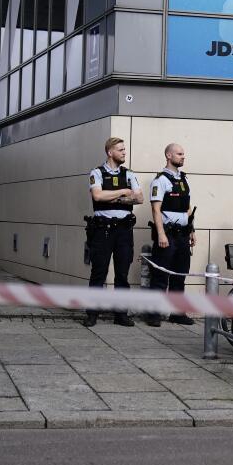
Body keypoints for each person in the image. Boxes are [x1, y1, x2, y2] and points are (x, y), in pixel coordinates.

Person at [83, 137, 142, 328]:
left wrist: (115, 198)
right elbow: (98, 195)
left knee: (122, 275)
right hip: (103, 230)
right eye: (120, 150)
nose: (124, 152)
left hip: (124, 230)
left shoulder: (129, 173)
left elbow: (139, 198)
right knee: (98, 272)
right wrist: (124, 192)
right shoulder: (97, 173)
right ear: (110, 152)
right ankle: (92, 314)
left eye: (124, 149)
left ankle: (121, 314)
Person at [149, 143, 196, 327]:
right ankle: (153, 313)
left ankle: (177, 313)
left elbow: (188, 209)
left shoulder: (183, 180)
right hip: (167, 234)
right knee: (160, 275)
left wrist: (192, 230)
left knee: (179, 275)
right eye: (179, 154)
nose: (183, 156)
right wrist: (161, 234)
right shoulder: (160, 180)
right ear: (169, 155)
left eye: (184, 153)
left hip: (183, 236)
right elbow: (155, 209)